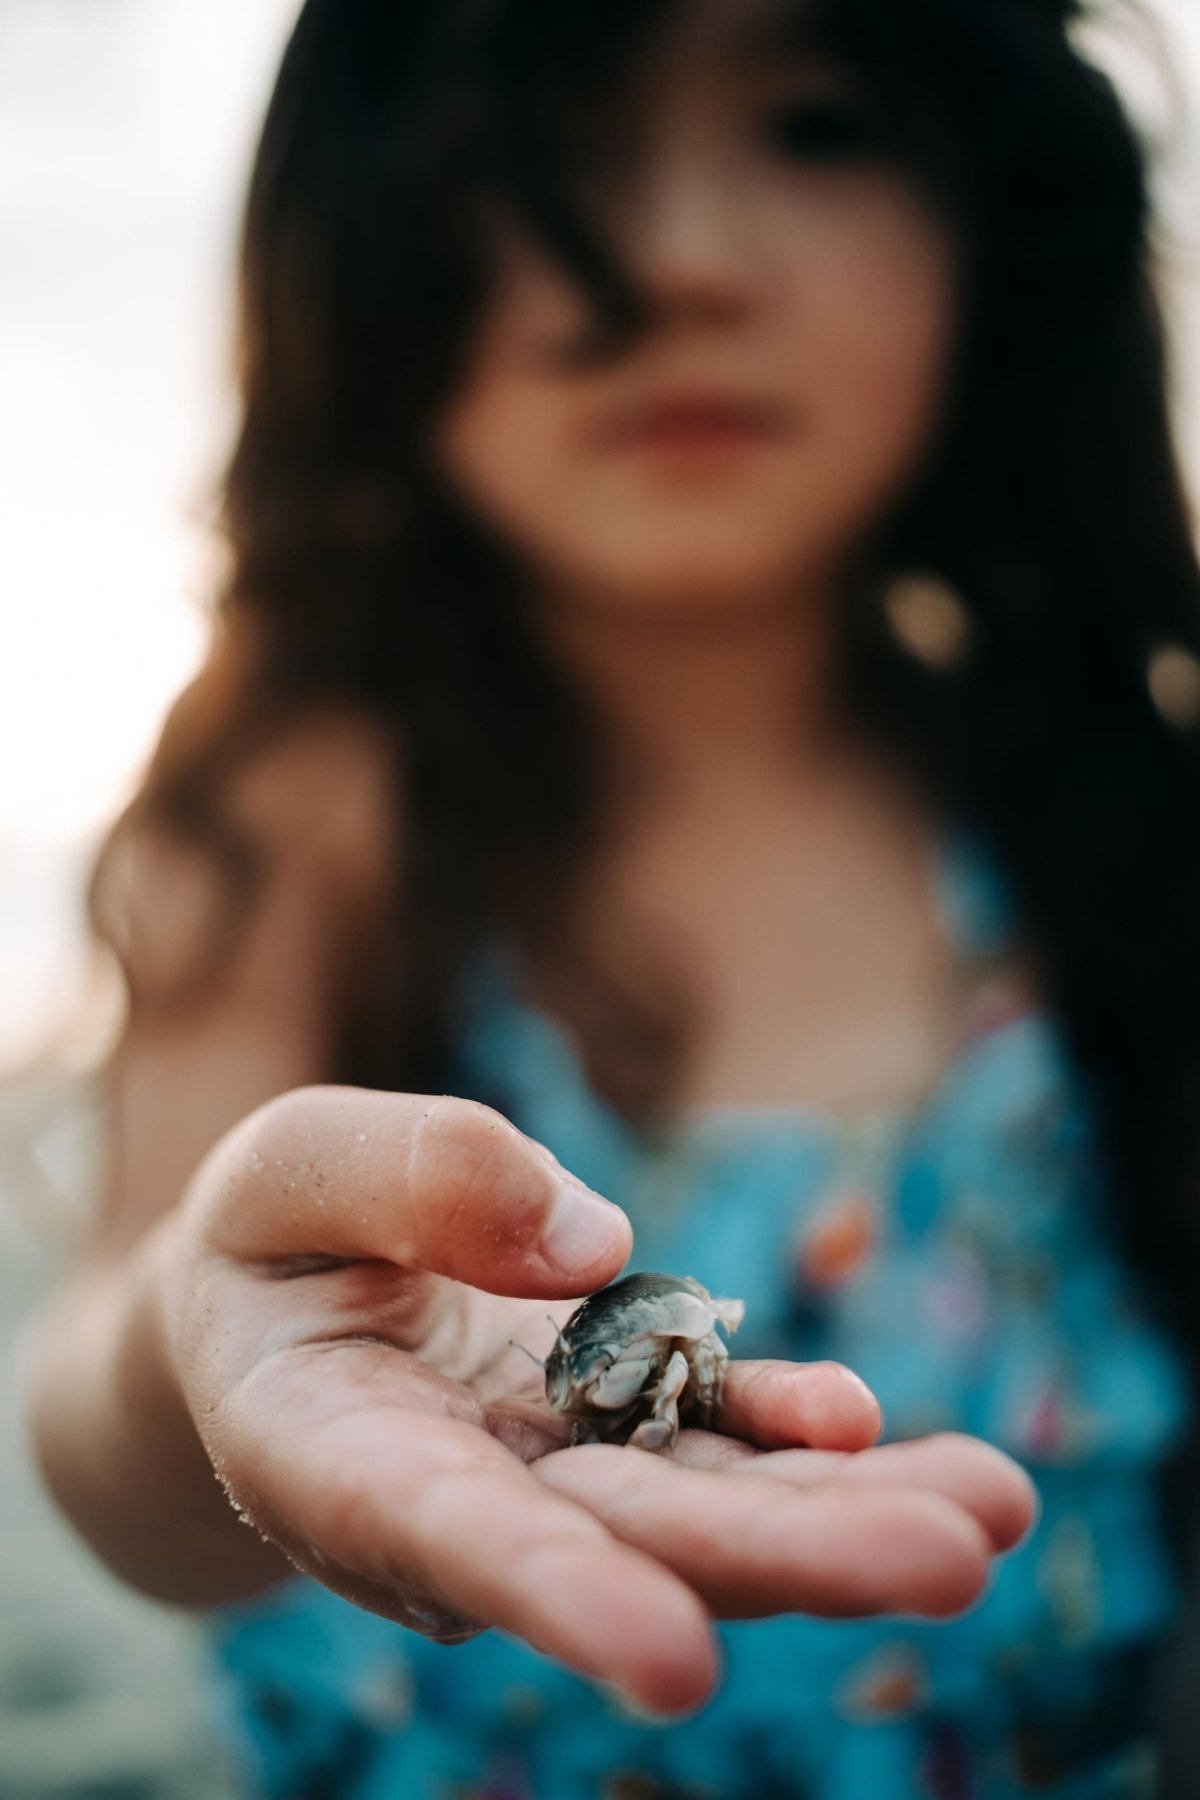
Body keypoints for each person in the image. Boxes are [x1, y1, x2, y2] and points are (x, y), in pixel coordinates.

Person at [24, 0, 1200, 1792]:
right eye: (545, 151)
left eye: (816, 124)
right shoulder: (307, 815)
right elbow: (108, 1425)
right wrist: (199, 1319)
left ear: (999, 203)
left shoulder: (1114, 822)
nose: (679, 260)